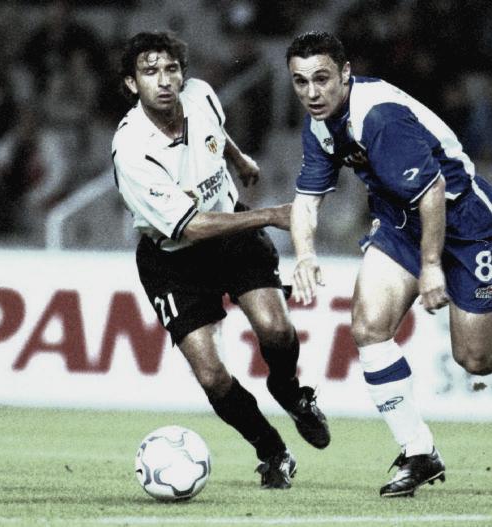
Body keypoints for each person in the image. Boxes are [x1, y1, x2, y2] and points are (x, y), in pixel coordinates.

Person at [285, 31, 492, 498]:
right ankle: (419, 451)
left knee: (475, 358)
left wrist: (431, 266)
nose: (312, 92)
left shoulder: (379, 117)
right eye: (300, 82)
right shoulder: (319, 125)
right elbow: (305, 201)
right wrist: (304, 255)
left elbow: (433, 192)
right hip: (400, 223)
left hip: (466, 224)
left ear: (345, 74)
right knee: (368, 327)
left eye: (321, 79)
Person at [112, 31, 330, 490]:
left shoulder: (200, 94)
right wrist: (271, 215)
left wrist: (239, 158)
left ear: (182, 74)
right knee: (212, 375)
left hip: (232, 236)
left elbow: (214, 130)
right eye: (150, 72)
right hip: (174, 260)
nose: (164, 80)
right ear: (132, 84)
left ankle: (289, 392)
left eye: (171, 69)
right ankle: (272, 451)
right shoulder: (132, 150)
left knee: (276, 329)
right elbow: (189, 227)